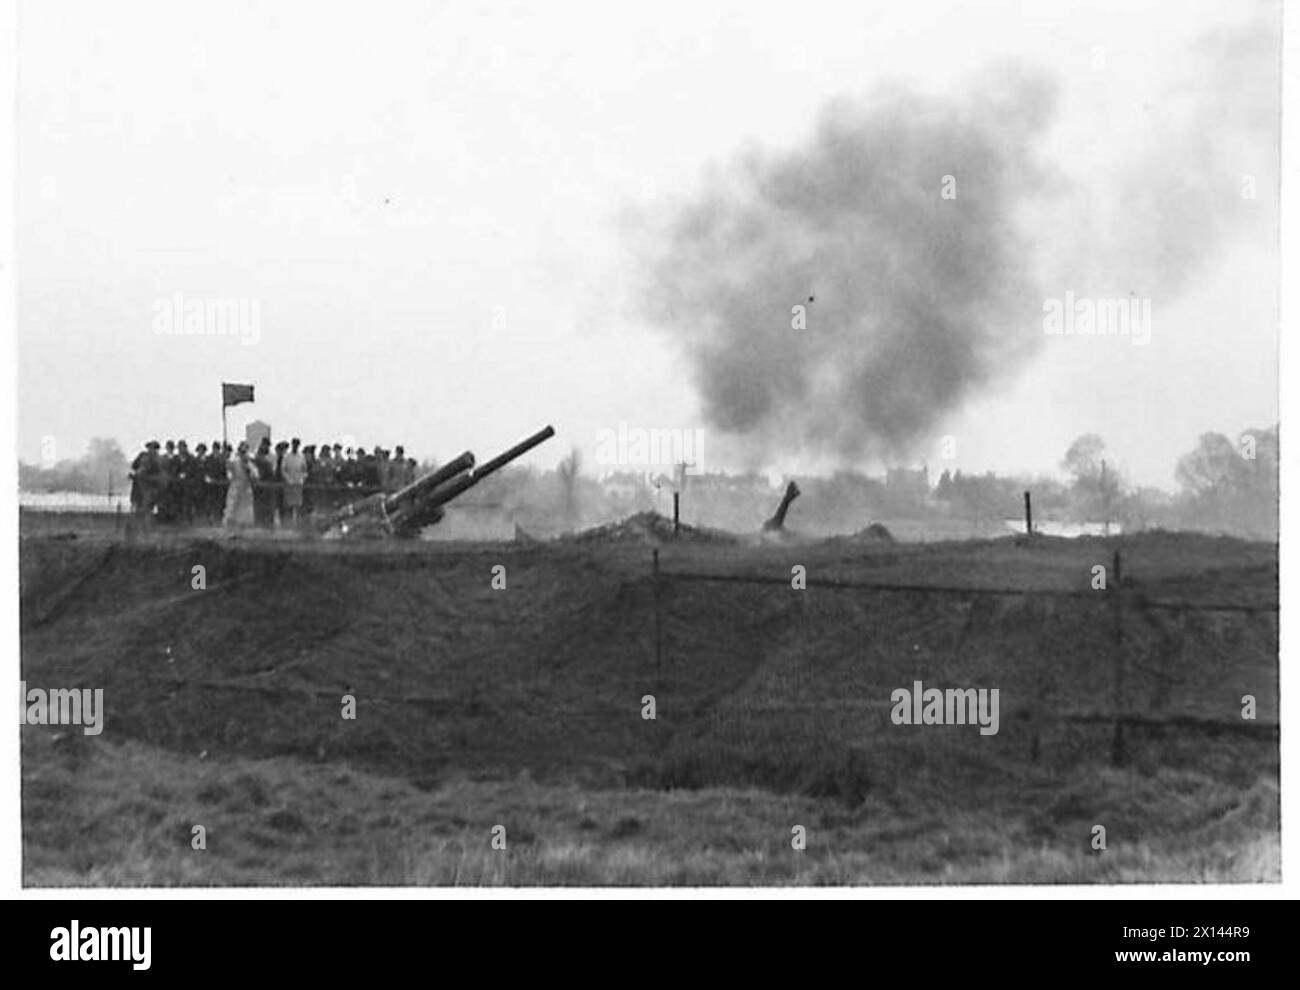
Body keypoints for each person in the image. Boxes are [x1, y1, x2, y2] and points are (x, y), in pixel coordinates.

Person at [222, 441, 255, 529]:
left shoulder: (249, 463)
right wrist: (226, 457)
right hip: (235, 488)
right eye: (241, 451)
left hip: (246, 489)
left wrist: (249, 471)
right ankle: (229, 531)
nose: (243, 453)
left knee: (244, 512)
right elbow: (228, 469)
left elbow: (255, 475)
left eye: (245, 451)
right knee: (231, 509)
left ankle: (241, 532)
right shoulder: (234, 461)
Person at [281, 437, 308, 527]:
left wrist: (302, 479)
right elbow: (283, 470)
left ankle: (297, 526)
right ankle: (287, 526)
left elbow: (305, 470)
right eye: (294, 445)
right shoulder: (286, 456)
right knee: (288, 506)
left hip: (298, 485)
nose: (295, 446)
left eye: (297, 445)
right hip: (289, 485)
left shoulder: (301, 457)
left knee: (298, 506)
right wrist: (288, 479)